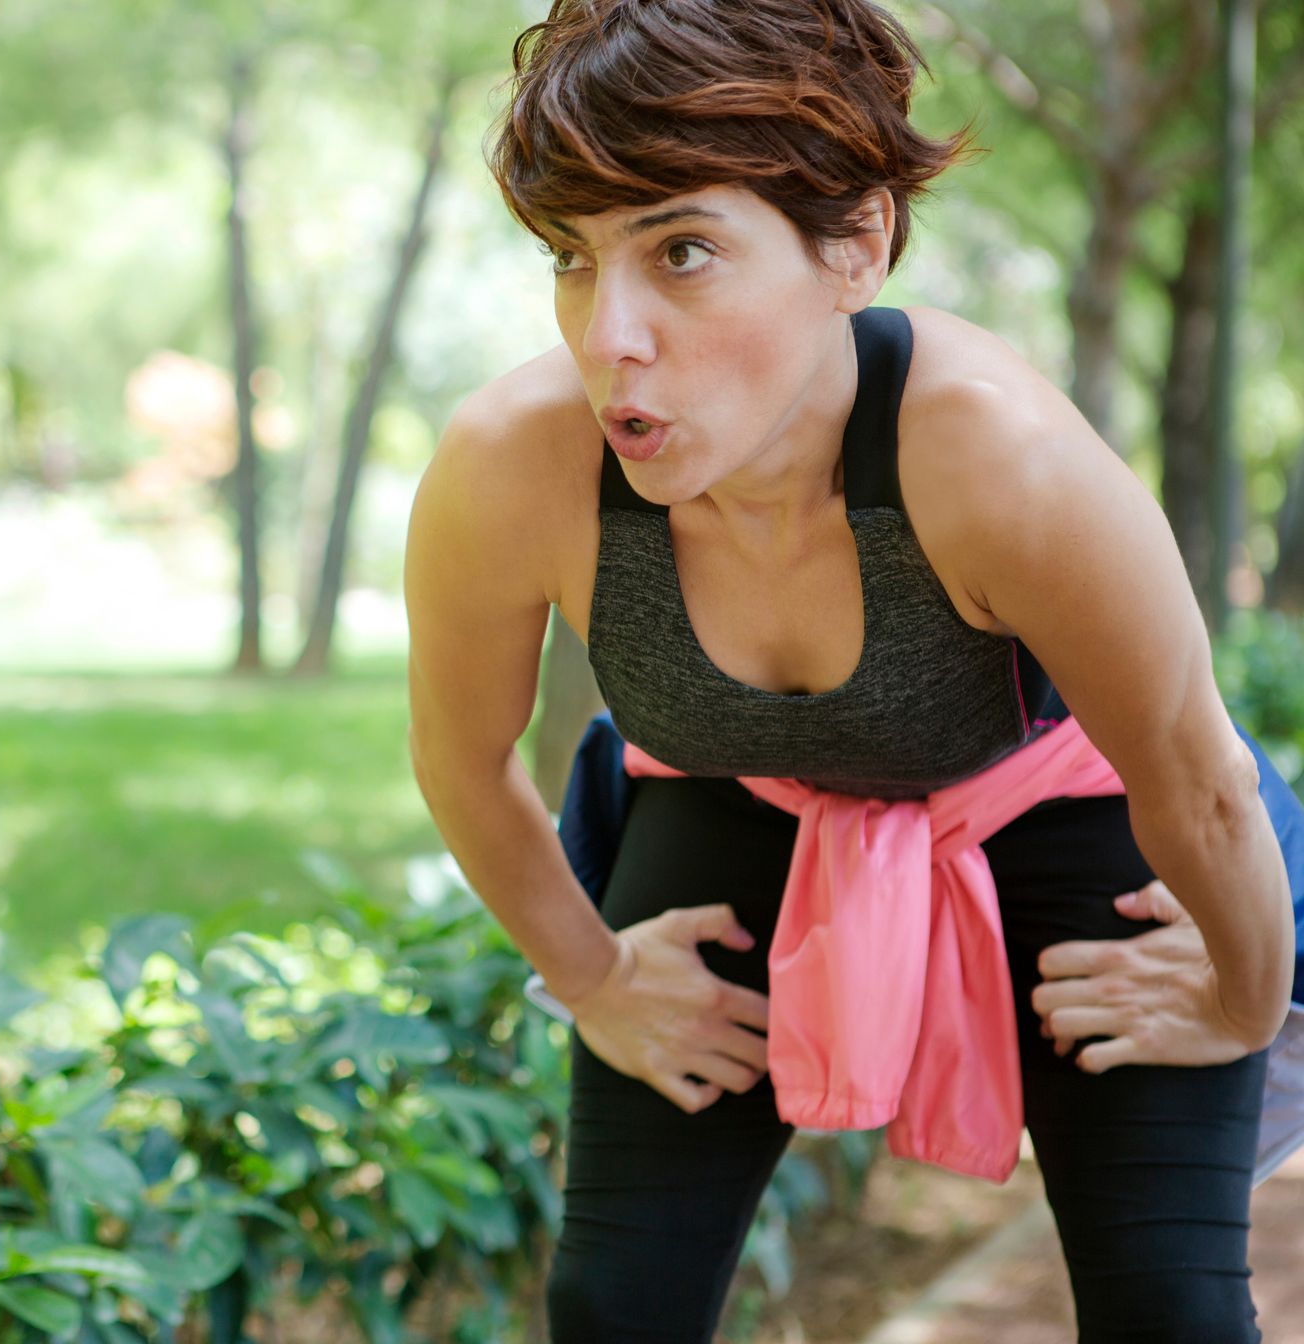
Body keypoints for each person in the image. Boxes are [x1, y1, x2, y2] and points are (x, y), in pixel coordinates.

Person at [400, 2, 1296, 1341]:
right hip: (737, 800)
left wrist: (1240, 995)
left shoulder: (1001, 462)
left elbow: (1200, 781)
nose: (610, 336)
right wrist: (591, 979)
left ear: (856, 245)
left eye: (683, 251)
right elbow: (461, 761)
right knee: (615, 1301)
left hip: (1064, 808)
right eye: (572, 259)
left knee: (1169, 1304)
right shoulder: (510, 466)